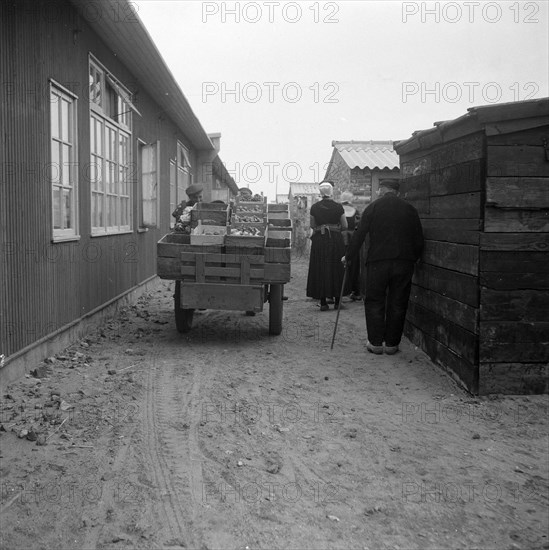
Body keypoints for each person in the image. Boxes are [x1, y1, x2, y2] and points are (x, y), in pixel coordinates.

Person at [343, 179, 423, 355]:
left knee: (374, 300)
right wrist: (413, 258)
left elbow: (360, 234)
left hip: (378, 262)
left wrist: (348, 256)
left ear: (381, 190)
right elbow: (419, 238)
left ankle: (376, 343)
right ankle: (392, 344)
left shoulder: (373, 207)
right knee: (398, 301)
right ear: (397, 192)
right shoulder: (409, 209)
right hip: (403, 262)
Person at [306, 181, 348, 311]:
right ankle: (337, 302)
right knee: (336, 267)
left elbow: (312, 225)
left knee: (321, 268)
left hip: (320, 240)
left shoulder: (314, 207)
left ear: (320, 192)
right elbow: (345, 225)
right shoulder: (339, 207)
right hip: (335, 240)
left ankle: (323, 303)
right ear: (332, 192)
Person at [340, 191, 362, 301]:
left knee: (340, 265)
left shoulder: (338, 210)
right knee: (354, 266)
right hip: (353, 240)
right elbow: (359, 225)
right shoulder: (355, 211)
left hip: (340, 240)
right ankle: (356, 291)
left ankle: (341, 292)